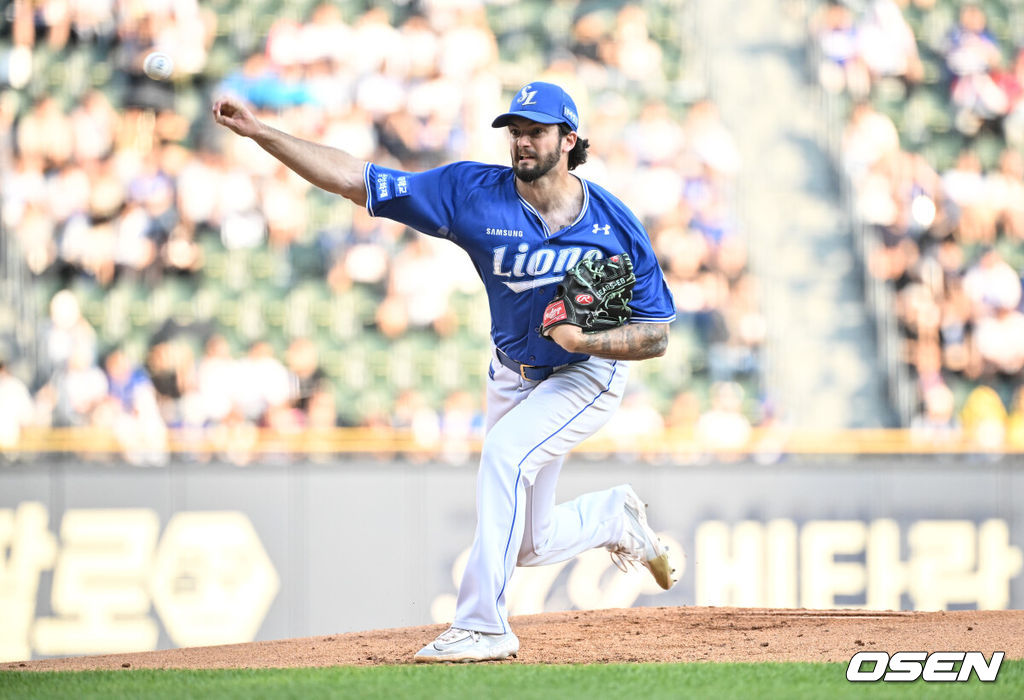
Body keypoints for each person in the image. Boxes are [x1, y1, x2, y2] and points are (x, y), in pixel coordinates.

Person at [213, 81, 680, 663]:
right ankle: (614, 517)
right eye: (515, 131)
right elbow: (355, 179)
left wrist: (587, 339)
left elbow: (656, 334)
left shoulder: (613, 224)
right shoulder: (471, 193)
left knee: (504, 455)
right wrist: (262, 134)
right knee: (531, 543)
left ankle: (484, 625)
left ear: (569, 140)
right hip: (512, 373)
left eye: (536, 131)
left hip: (586, 375)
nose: (522, 142)